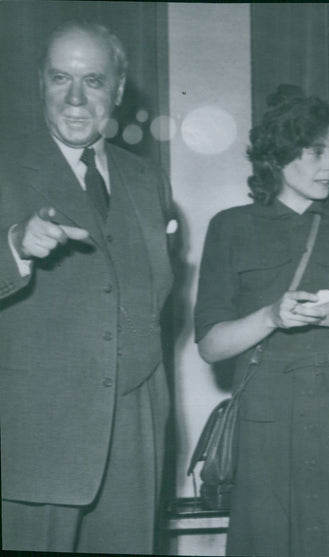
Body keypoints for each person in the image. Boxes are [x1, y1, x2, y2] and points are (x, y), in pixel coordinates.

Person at [194, 89, 329, 557]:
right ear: (279, 157)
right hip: (270, 418)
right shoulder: (230, 227)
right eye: (317, 152)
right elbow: (210, 346)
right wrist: (270, 316)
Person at [0, 21, 175, 553]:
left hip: (132, 434)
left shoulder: (147, 179)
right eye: (60, 78)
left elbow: (155, 295)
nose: (76, 98)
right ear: (40, 84)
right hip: (37, 433)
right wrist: (14, 247)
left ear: (118, 91)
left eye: (93, 81)